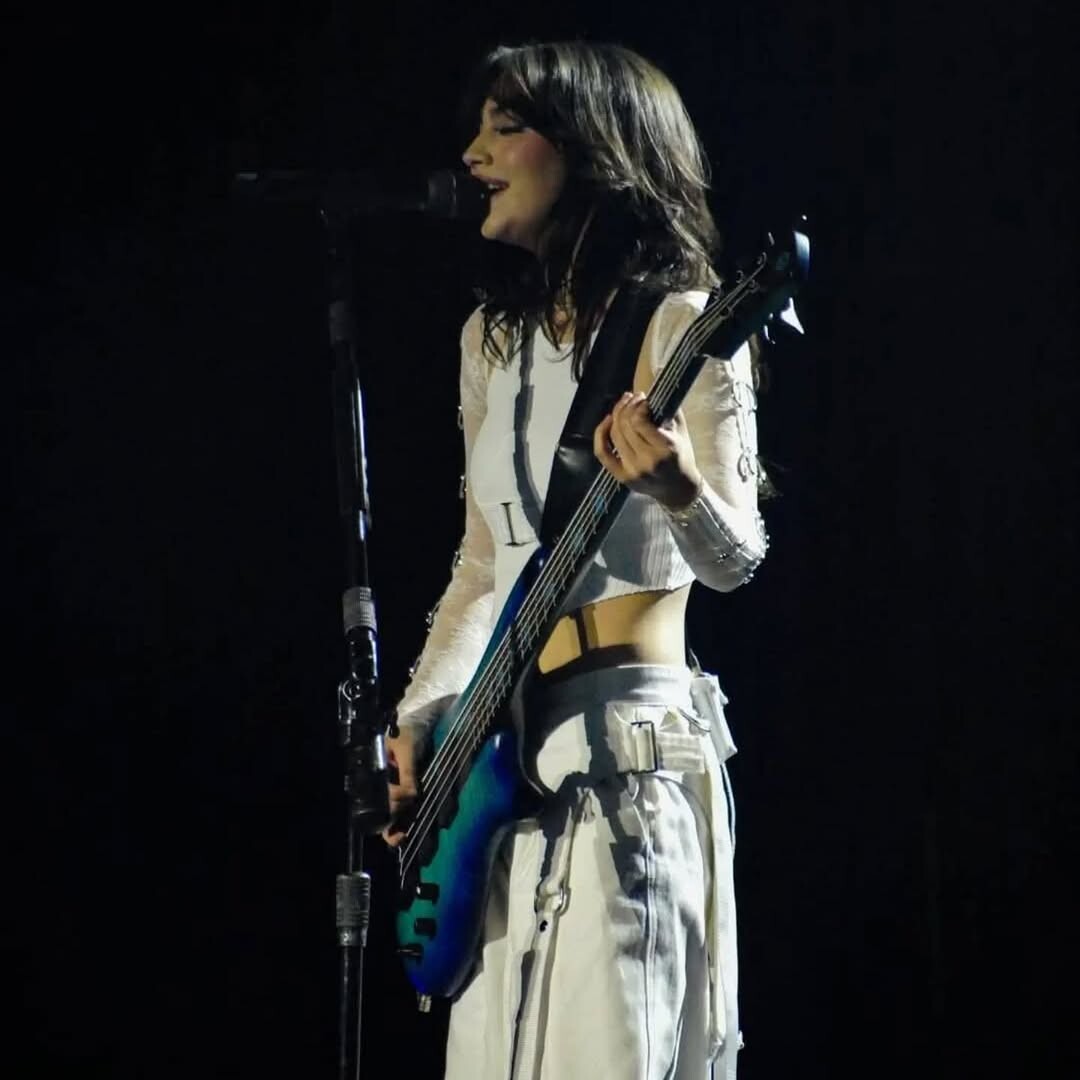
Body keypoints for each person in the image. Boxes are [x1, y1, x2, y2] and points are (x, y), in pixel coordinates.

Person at [384, 41, 768, 1080]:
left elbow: (738, 557)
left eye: (506, 128)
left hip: (627, 756)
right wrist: (422, 715)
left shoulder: (681, 320)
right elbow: (483, 562)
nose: (474, 155)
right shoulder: (489, 342)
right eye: (477, 130)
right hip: (496, 769)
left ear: (593, 151)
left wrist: (678, 488)